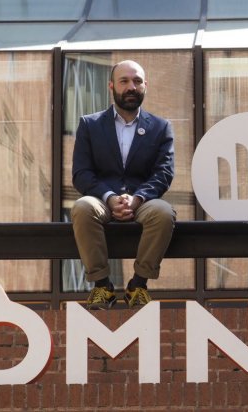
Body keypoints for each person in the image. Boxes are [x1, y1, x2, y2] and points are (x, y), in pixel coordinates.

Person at [71, 60, 176, 310]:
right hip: (102, 199)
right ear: (111, 86)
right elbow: (81, 173)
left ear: (145, 86)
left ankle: (138, 285)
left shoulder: (161, 128)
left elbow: (164, 173)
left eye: (137, 81)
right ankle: (102, 286)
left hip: (143, 202)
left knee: (164, 212)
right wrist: (109, 197)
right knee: (82, 207)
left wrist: (137, 198)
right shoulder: (90, 125)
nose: (132, 87)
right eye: (124, 81)